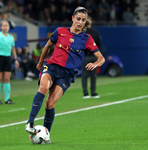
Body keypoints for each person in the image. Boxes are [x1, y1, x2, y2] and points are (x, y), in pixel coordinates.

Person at [25, 6, 105, 141]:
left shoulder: (87, 38)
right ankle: (30, 123)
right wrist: (40, 62)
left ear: (85, 22)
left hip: (67, 75)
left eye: (83, 20)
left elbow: (101, 58)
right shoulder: (60, 31)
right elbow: (48, 46)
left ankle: (45, 135)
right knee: (43, 88)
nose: (80, 22)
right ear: (73, 18)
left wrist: (95, 64)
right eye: (78, 19)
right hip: (51, 67)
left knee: (50, 104)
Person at [0, 20, 19, 104]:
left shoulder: (11, 37)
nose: (5, 27)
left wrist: (16, 59)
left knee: (7, 79)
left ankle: (7, 99)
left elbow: (13, 49)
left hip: (7, 58)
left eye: (7, 25)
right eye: (4, 26)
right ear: (0, 27)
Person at [81, 24, 102, 99]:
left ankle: (85, 93)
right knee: (93, 76)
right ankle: (93, 92)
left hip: (86, 57)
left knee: (85, 75)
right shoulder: (95, 32)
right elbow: (99, 45)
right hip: (94, 56)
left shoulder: (82, 33)